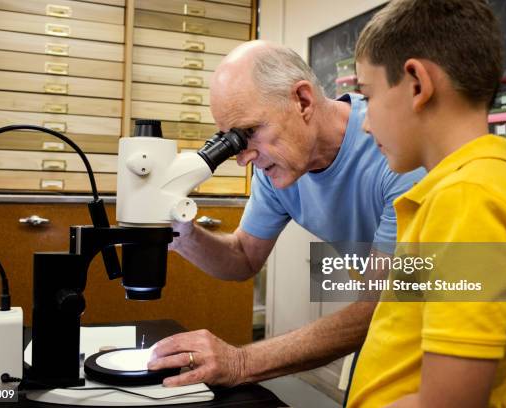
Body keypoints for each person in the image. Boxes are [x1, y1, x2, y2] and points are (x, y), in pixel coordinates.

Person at [146, 40, 424, 387]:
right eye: (230, 140)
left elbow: (380, 303)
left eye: (247, 133)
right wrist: (182, 234)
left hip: (441, 329)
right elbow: (243, 257)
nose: (243, 157)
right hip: (387, 325)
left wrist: (241, 361)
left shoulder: (396, 153)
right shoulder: (278, 167)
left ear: (303, 101)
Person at [347, 0, 506, 406]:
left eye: (368, 96)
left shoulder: (466, 201)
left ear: (417, 84)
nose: (366, 122)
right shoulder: (485, 187)